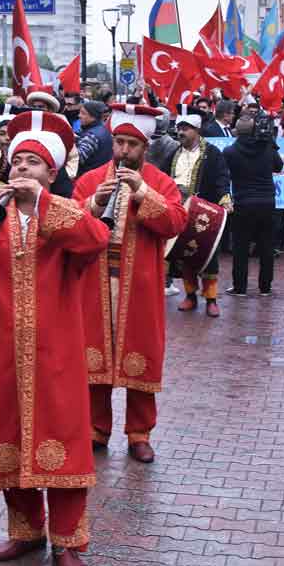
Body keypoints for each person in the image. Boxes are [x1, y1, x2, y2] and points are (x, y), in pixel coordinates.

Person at [0, 111, 108, 566]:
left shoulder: (64, 214)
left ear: (51, 173)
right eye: (17, 163)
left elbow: (95, 240)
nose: (21, 171)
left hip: (58, 355)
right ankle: (26, 531)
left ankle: (68, 541)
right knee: (9, 438)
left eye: (33, 164)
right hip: (1, 355)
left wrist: (46, 204)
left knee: (64, 441)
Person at [74, 103, 189, 463]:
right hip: (94, 284)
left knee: (141, 356)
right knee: (93, 358)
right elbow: (69, 224)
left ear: (145, 147)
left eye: (132, 144)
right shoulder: (91, 180)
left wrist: (143, 193)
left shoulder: (161, 182)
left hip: (139, 285)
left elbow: (175, 223)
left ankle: (140, 434)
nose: (124, 150)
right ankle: (96, 429)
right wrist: (94, 203)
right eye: (119, 142)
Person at [168, 113, 232, 316]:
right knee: (183, 255)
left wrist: (225, 198)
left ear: (197, 131)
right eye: (179, 129)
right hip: (179, 210)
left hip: (204, 212)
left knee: (208, 255)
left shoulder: (212, 153)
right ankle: (190, 296)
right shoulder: (174, 153)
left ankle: (211, 299)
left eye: (186, 129)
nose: (181, 133)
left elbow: (222, 177)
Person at [224, 107, 284, 298]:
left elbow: (226, 174)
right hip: (267, 201)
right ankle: (265, 287)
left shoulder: (230, 151)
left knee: (240, 247)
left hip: (243, 202)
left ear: (236, 131)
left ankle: (240, 287)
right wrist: (271, 143)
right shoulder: (266, 147)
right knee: (267, 246)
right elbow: (279, 166)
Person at [71, 99, 114, 176]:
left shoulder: (91, 136)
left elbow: (77, 158)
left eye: (83, 113)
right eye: (80, 112)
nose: (79, 116)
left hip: (89, 177)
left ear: (93, 117)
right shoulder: (102, 129)